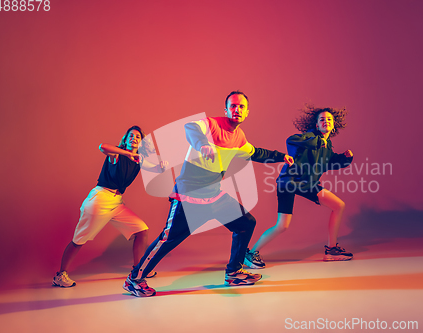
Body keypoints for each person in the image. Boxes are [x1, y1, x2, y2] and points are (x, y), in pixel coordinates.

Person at [123, 91, 294, 297]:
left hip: (214, 195)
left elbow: (256, 152)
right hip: (189, 195)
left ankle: (233, 273)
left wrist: (281, 156)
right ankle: (134, 279)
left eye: (241, 107)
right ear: (226, 109)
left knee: (245, 224)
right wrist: (202, 144)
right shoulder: (211, 124)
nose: (237, 110)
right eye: (232, 106)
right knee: (168, 239)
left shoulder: (239, 137)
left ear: (247, 112)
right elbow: (191, 127)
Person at [52, 126, 168, 287]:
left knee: (141, 231)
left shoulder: (138, 159)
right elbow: (102, 146)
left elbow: (155, 168)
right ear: (125, 139)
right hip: (100, 199)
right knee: (79, 240)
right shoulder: (117, 154)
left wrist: (161, 166)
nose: (133, 138)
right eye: (130, 136)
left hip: (116, 202)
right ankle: (60, 275)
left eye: (137, 137)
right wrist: (127, 153)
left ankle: (138, 270)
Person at [244, 105, 354, 269]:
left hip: (308, 184)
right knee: (283, 225)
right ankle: (251, 253)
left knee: (338, 205)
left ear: (333, 125)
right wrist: (316, 141)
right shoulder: (310, 137)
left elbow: (331, 162)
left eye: (329, 119)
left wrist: (346, 159)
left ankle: (331, 250)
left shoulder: (327, 145)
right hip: (289, 182)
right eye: (322, 119)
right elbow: (291, 140)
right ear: (316, 125)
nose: (326, 121)